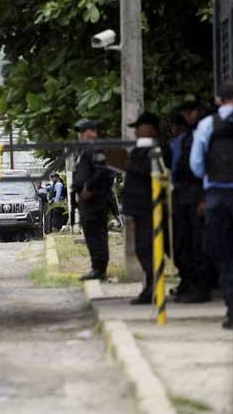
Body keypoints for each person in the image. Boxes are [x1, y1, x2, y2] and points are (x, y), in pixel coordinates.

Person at [190, 81, 233, 330]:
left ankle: (231, 311)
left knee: (225, 255)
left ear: (218, 100)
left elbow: (196, 164)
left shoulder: (207, 125)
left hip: (218, 197)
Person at [171, 104, 212, 303]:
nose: (189, 115)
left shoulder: (207, 132)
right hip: (184, 195)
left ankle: (201, 288)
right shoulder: (188, 137)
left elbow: (202, 168)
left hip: (198, 195)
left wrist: (204, 196)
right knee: (184, 242)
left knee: (198, 244)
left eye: (192, 110)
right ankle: (190, 284)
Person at [122, 113, 162, 305]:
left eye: (140, 127)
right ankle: (150, 287)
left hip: (149, 207)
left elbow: (153, 171)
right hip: (138, 207)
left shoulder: (156, 149)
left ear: (151, 129)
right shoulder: (140, 149)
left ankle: (153, 289)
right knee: (143, 249)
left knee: (148, 248)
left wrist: (131, 165)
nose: (137, 132)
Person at [73, 119, 114, 281]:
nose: (80, 136)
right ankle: (96, 267)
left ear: (92, 132)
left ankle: (99, 269)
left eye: (83, 132)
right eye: (80, 133)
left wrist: (88, 187)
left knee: (96, 234)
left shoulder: (96, 148)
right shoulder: (86, 149)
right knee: (91, 233)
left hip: (95, 199)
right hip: (87, 200)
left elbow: (102, 170)